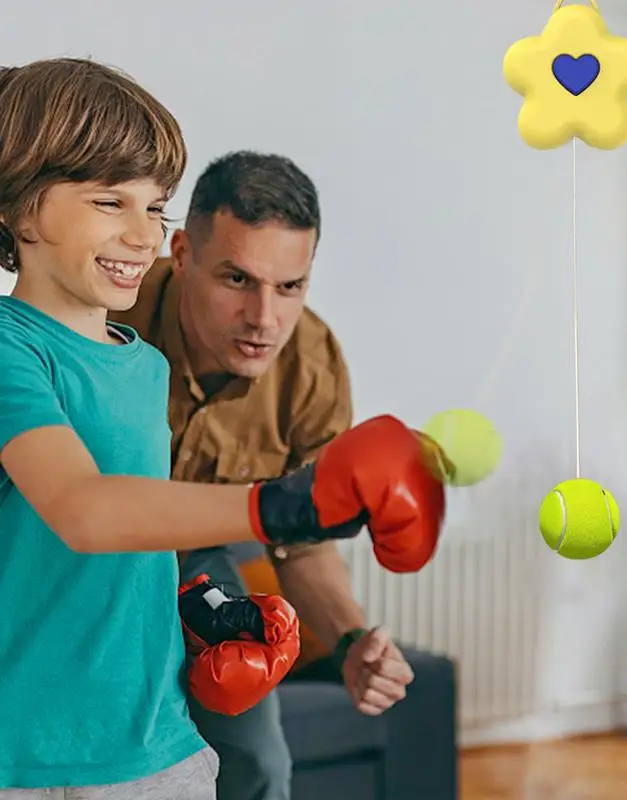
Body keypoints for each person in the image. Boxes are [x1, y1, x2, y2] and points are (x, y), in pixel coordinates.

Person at [0, 59, 445, 798]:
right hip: (31, 743)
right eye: (111, 200)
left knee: (262, 761)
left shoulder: (142, 367)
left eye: (156, 207)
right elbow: (85, 509)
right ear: (19, 211)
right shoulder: (21, 345)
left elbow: (153, 553)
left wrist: (210, 615)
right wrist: (282, 500)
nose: (141, 234)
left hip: (150, 738)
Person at [112, 150, 422, 800]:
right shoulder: (110, 311)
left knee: (260, 765)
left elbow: (302, 540)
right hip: (71, 556)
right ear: (183, 253)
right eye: (237, 280)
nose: (264, 319)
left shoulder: (312, 364)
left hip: (197, 564)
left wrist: (351, 641)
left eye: (290, 288)